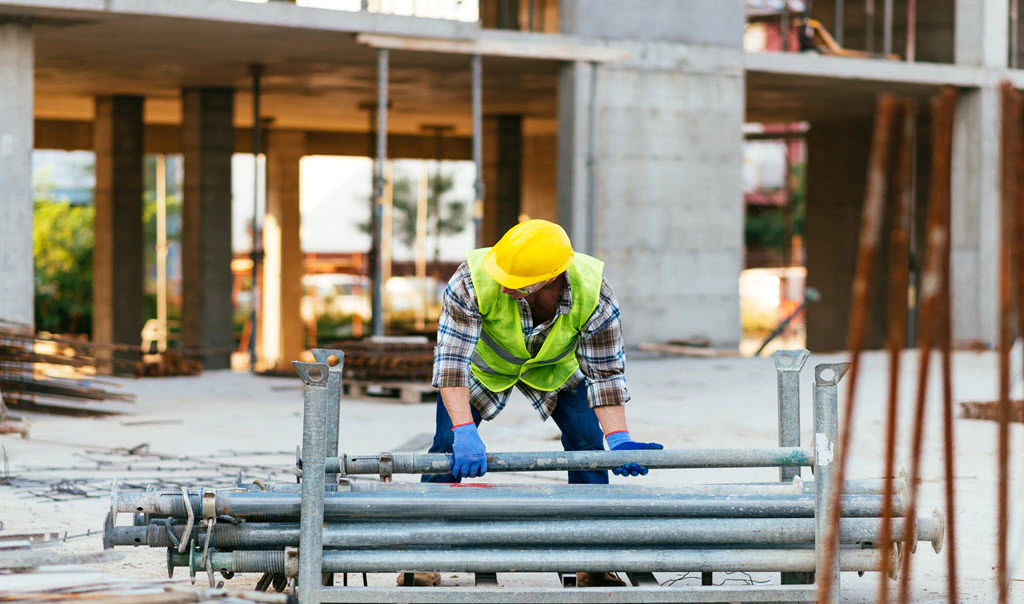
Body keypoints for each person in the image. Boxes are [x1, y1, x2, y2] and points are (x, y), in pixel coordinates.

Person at [398, 219, 662, 588]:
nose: (504, 285)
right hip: (482, 369)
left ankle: (593, 558)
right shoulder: (470, 281)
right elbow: (451, 363)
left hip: (556, 368)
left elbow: (605, 374)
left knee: (589, 446)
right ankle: (421, 554)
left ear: (554, 277)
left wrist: (618, 438)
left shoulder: (595, 295)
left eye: (516, 282)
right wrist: (463, 429)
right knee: (446, 447)